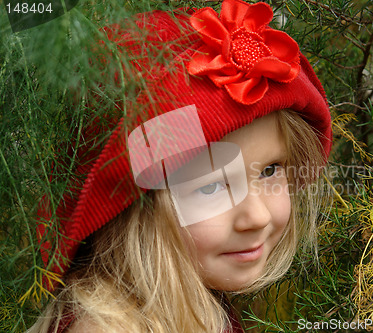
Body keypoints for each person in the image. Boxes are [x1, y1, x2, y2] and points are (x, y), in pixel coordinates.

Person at [28, 0, 332, 332]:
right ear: (129, 209)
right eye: (210, 185)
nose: (257, 217)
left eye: (271, 170)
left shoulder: (192, 306)